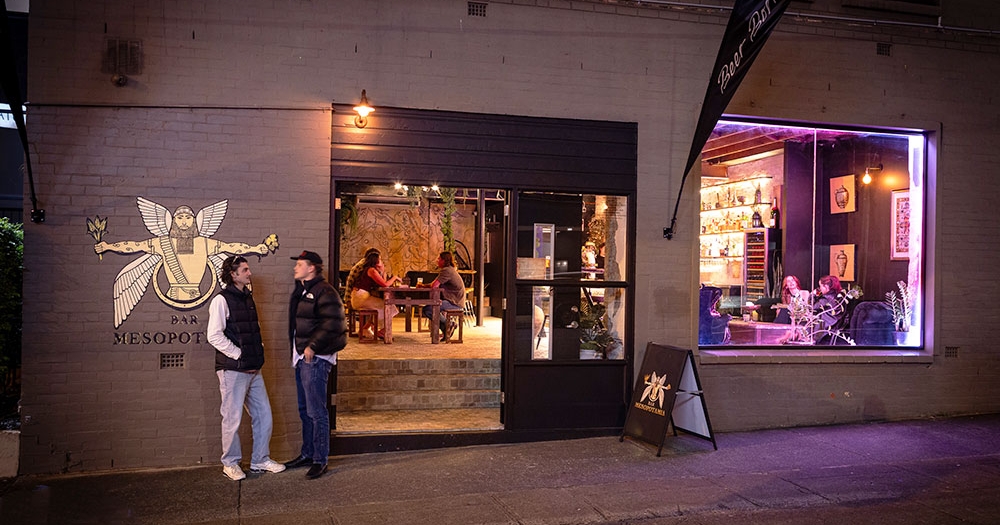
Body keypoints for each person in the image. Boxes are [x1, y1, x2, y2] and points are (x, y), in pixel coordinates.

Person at [206, 256, 286, 481]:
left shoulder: (248, 297)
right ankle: (230, 464)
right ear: (233, 274)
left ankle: (260, 459)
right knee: (232, 419)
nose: (249, 273)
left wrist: (255, 355)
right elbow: (213, 335)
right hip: (233, 371)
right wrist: (238, 354)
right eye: (245, 270)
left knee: (264, 415)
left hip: (253, 370)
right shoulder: (221, 300)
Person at [284, 251, 348, 480]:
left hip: (316, 360)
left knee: (317, 411)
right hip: (302, 359)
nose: (295, 268)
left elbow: (334, 323)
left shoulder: (324, 291)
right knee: (305, 410)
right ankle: (308, 453)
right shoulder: (302, 290)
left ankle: (320, 460)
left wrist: (312, 346)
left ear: (312, 268)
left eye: (300, 264)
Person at [350, 251, 402, 339]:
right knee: (388, 306)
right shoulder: (371, 270)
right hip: (361, 298)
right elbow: (385, 285)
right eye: (380, 259)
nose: (381, 261)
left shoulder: (369, 269)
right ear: (376, 261)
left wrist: (382, 272)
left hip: (359, 297)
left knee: (380, 306)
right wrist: (395, 277)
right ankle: (382, 330)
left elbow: (383, 283)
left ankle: (366, 328)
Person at [419, 251, 466, 338]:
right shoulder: (449, 270)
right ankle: (447, 328)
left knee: (428, 309)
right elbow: (434, 284)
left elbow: (434, 286)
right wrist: (423, 285)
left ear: (444, 260)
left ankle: (449, 324)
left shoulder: (446, 271)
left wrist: (424, 287)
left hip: (455, 302)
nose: (437, 261)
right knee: (430, 308)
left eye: (439, 259)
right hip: (453, 300)